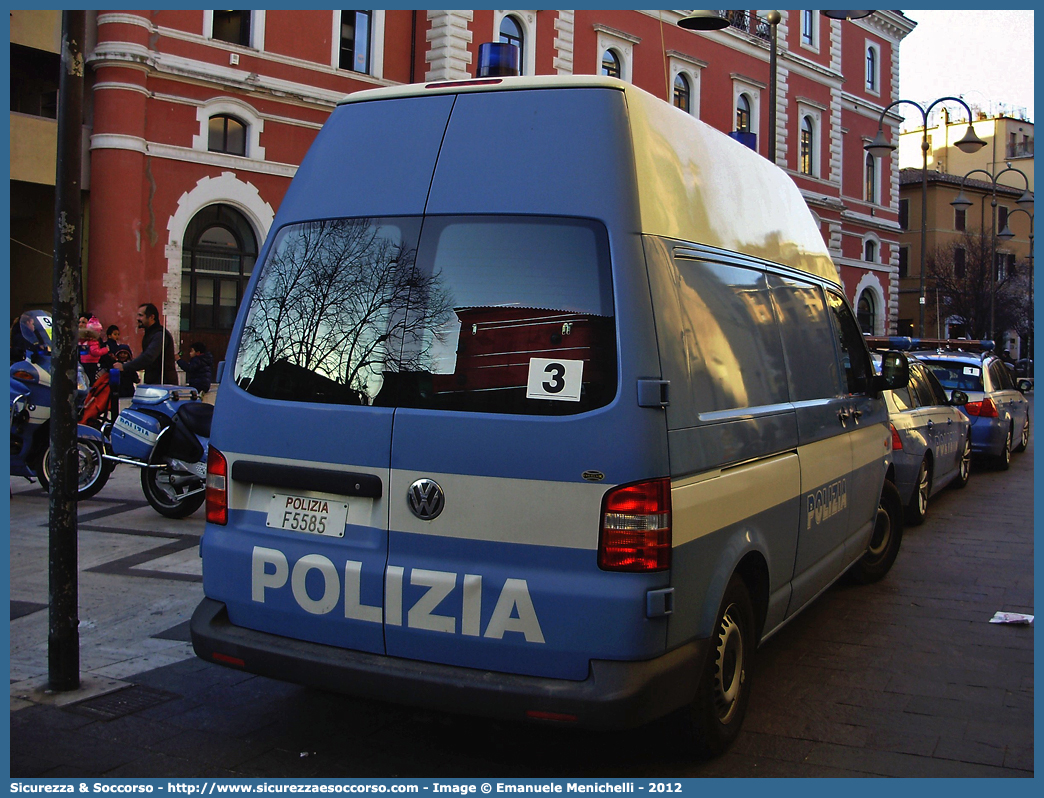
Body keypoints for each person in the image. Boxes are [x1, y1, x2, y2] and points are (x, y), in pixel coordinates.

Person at [115, 303, 177, 385]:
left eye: (141, 315)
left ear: (151, 317)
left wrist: (124, 366)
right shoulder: (151, 334)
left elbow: (148, 357)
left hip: (163, 385)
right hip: (155, 383)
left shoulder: (159, 335)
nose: (137, 318)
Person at [78, 312, 107, 384]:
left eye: (83, 322)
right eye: (79, 322)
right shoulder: (76, 340)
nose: (80, 325)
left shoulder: (95, 341)